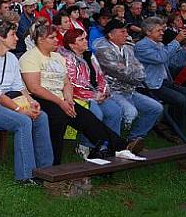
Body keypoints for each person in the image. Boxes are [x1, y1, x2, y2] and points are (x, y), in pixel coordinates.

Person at [21, 23, 140, 164]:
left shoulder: (57, 57)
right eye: (52, 38)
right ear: (40, 40)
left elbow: (67, 83)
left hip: (61, 98)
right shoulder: (30, 57)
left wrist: (69, 100)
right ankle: (53, 165)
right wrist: (61, 103)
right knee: (58, 117)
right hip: (39, 98)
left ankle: (119, 146)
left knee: (87, 118)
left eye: (56, 37)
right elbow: (34, 88)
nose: (56, 40)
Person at [0, 22, 53, 183]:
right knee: (22, 121)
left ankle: (46, 171)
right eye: (12, 35)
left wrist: (31, 102)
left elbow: (19, 87)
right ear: (1, 37)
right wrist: (20, 110)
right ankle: (25, 175)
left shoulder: (12, 58)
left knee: (41, 116)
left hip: (7, 97)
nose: (17, 38)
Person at [96, 20, 163, 144]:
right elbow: (120, 72)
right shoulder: (103, 49)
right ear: (111, 35)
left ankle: (133, 139)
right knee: (130, 112)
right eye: (122, 31)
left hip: (130, 90)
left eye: (126, 31)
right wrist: (134, 74)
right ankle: (112, 143)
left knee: (156, 108)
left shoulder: (128, 48)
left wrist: (133, 73)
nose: (126, 34)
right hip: (112, 91)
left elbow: (140, 69)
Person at [57, 28, 124, 152]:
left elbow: (100, 75)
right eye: (81, 40)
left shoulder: (89, 55)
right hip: (78, 96)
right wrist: (94, 95)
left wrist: (102, 91)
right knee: (96, 113)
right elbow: (73, 83)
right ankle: (86, 146)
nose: (86, 41)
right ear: (72, 45)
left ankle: (112, 145)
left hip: (96, 94)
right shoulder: (67, 59)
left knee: (115, 111)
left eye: (85, 38)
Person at [134, 16, 186, 141]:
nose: (162, 32)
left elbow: (176, 63)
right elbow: (160, 58)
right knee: (179, 99)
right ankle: (176, 131)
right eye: (159, 30)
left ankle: (167, 125)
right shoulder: (141, 46)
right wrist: (176, 41)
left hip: (164, 81)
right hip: (150, 84)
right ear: (148, 32)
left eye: (162, 30)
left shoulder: (159, 44)